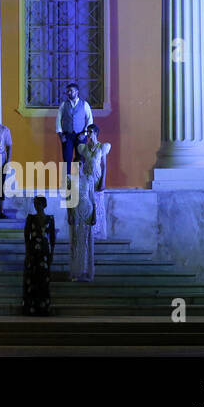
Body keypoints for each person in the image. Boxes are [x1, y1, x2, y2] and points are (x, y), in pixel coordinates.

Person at [70, 125, 112, 283]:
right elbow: (79, 161)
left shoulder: (103, 147)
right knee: (87, 203)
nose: (88, 134)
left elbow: (104, 165)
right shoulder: (83, 147)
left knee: (97, 203)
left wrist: (103, 181)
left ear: (96, 133)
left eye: (91, 132)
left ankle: (97, 228)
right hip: (86, 179)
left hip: (97, 177)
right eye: (88, 132)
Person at [23, 195, 56, 315]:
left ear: (44, 205)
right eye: (35, 204)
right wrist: (27, 252)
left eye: (39, 204)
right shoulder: (31, 218)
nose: (37, 206)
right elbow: (26, 236)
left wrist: (52, 253)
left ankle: (43, 306)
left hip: (44, 251)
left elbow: (52, 237)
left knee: (43, 278)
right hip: (33, 251)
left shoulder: (50, 218)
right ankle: (31, 306)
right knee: (32, 278)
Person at [56, 82, 94, 182]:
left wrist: (85, 133)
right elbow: (58, 120)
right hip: (67, 135)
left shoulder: (84, 104)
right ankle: (67, 182)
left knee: (80, 158)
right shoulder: (64, 105)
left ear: (77, 92)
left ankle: (80, 181)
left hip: (80, 136)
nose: (69, 93)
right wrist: (60, 135)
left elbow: (89, 120)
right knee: (67, 158)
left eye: (71, 91)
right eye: (67, 91)